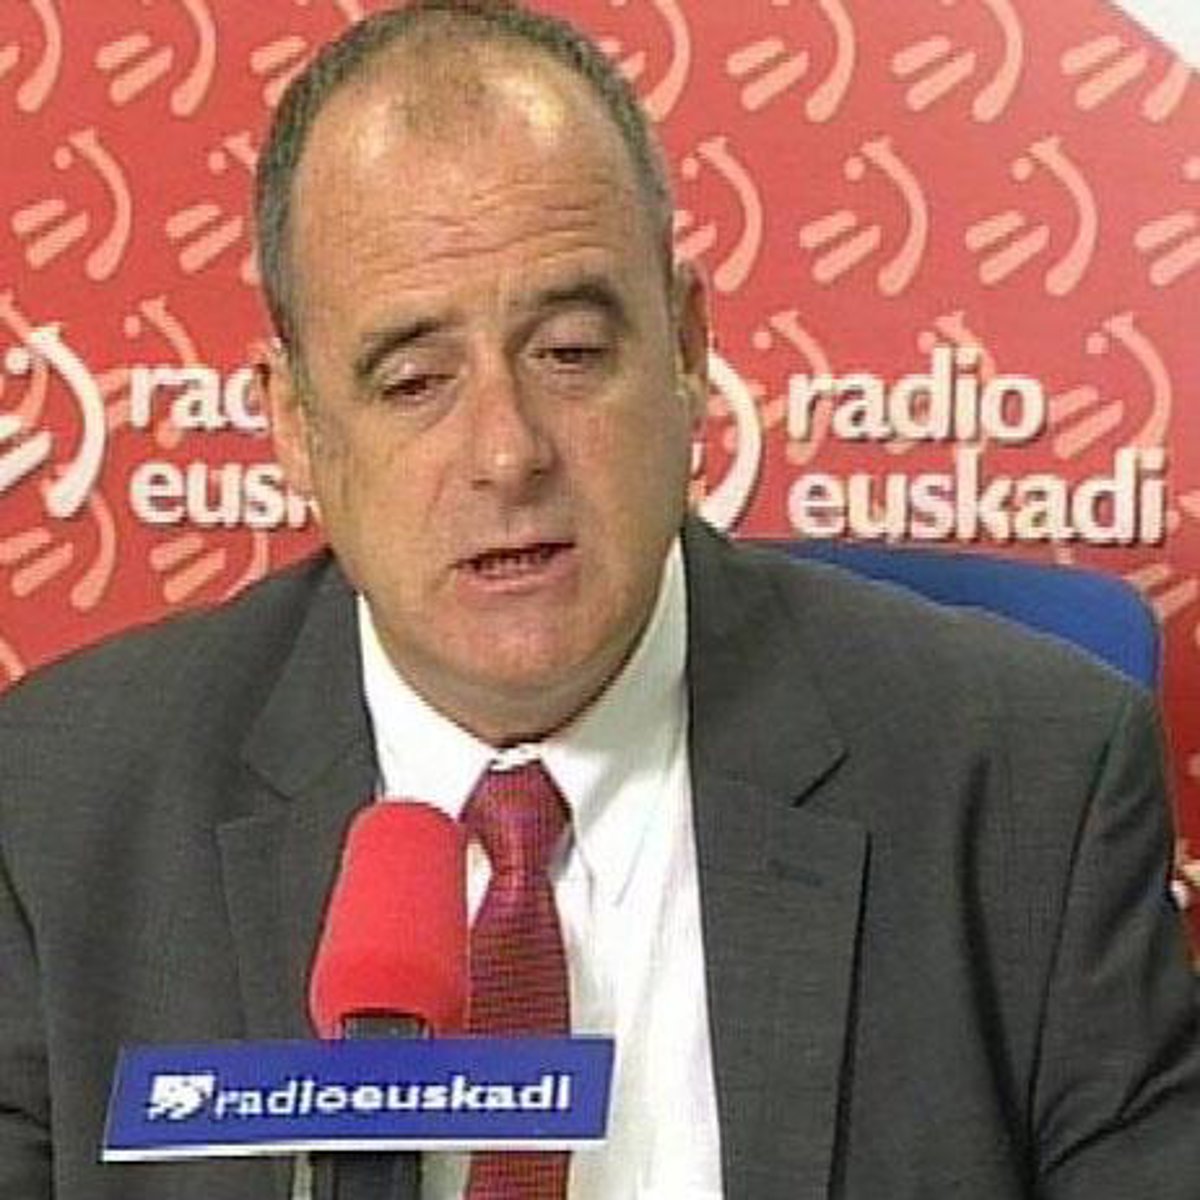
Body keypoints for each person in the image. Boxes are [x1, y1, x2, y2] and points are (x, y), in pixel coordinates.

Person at [0, 2, 1197, 1198]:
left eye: (569, 353)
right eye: (414, 381)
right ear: (295, 426)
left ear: (686, 348)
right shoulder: (59, 819)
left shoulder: (1028, 786)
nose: (507, 451)